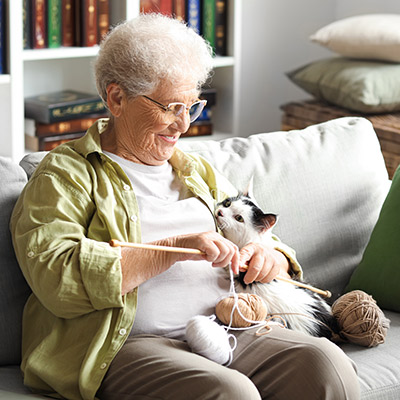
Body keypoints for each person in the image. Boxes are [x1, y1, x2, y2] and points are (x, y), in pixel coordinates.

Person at [11, 14, 360, 400]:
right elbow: (55, 277)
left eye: (192, 107)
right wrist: (169, 251)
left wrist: (268, 256)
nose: (182, 125)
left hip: (229, 325)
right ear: (117, 98)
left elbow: (264, 236)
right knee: (230, 393)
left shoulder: (195, 169)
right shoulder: (64, 174)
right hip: (130, 343)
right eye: (171, 107)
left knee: (326, 364)